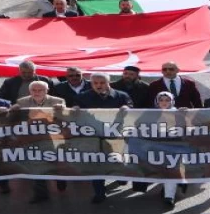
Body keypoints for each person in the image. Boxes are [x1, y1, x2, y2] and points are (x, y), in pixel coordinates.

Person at [75, 73, 133, 203]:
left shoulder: (121, 95)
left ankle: (121, 176)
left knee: (117, 160)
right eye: (95, 83)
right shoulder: (83, 97)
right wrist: (75, 110)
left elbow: (131, 108)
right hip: (94, 136)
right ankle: (99, 192)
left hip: (116, 136)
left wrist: (127, 108)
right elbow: (77, 113)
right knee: (96, 164)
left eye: (102, 83)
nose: (98, 85)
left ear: (109, 82)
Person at [12, 81, 67, 203]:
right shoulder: (22, 102)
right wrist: (12, 109)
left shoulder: (58, 101)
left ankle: (60, 179)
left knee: (55, 163)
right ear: (30, 91)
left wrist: (63, 110)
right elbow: (14, 117)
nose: (37, 92)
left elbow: (64, 118)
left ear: (47, 90)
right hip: (32, 139)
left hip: (53, 138)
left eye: (40, 90)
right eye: (34, 90)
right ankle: (41, 193)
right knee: (37, 164)